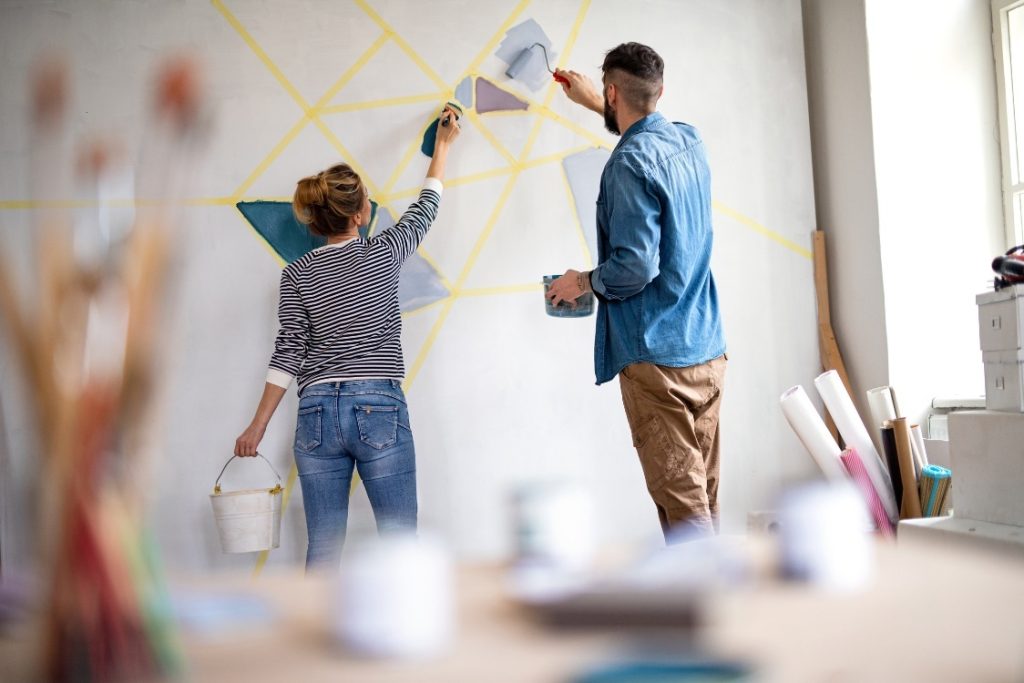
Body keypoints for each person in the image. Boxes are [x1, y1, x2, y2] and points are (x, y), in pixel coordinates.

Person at [234, 106, 461, 570]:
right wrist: (442, 145)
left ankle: (316, 641)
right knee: (399, 542)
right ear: (362, 215)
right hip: (378, 404)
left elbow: (288, 352)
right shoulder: (384, 251)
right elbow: (426, 206)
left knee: (323, 548)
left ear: (315, 222)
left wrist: (256, 426)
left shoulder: (297, 273)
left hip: (316, 411)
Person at [547, 44, 727, 539]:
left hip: (656, 360)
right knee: (702, 498)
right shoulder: (690, 141)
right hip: (706, 350)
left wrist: (581, 281)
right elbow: (647, 133)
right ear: (661, 92)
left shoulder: (627, 165)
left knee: (685, 514)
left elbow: (636, 266)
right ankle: (708, 605)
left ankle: (708, 610)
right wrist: (596, 102)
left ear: (612, 93)